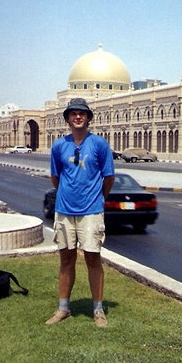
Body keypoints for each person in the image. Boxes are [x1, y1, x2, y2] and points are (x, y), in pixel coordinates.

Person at [46, 98, 115, 327]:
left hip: (91, 212)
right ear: (67, 118)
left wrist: (98, 199)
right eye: (73, 113)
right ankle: (63, 308)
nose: (78, 117)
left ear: (88, 118)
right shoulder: (59, 146)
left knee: (93, 258)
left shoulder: (99, 144)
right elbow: (56, 177)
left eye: (82, 113)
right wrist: (67, 195)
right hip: (65, 211)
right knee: (66, 259)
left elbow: (109, 177)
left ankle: (98, 310)